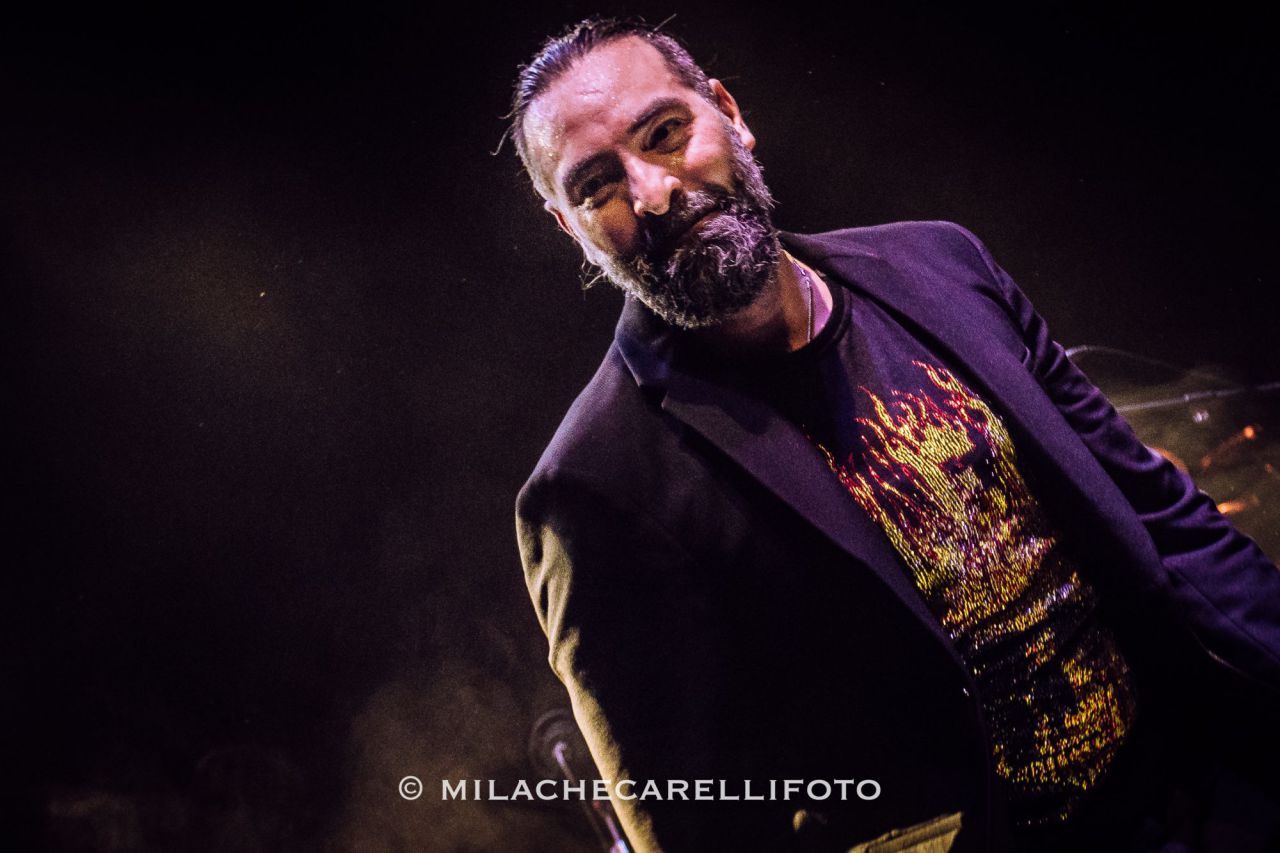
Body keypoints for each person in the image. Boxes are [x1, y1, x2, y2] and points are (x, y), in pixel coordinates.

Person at [509, 17, 1280, 853]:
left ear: (728, 113)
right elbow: (702, 825)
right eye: (598, 186)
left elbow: (1166, 522)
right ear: (569, 226)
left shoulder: (941, 265)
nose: (653, 192)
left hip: (1208, 785)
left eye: (664, 133)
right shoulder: (594, 488)